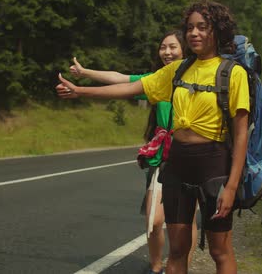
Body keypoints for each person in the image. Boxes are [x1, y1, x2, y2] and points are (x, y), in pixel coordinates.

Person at [56, 0, 250, 274]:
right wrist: (80, 91)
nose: (194, 33)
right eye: (190, 28)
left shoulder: (233, 73)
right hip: (177, 164)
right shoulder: (177, 70)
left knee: (220, 251)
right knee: (178, 250)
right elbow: (131, 87)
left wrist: (231, 187)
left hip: (214, 165)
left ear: (217, 31)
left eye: (202, 27)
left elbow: (241, 135)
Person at [68, 30, 197, 274]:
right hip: (162, 157)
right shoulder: (157, 78)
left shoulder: (197, 77)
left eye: (173, 47)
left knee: (185, 221)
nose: (167, 52)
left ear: (185, 50)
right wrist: (85, 73)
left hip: (189, 156)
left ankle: (181, 267)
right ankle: (156, 267)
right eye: (163, 47)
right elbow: (121, 79)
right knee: (154, 221)